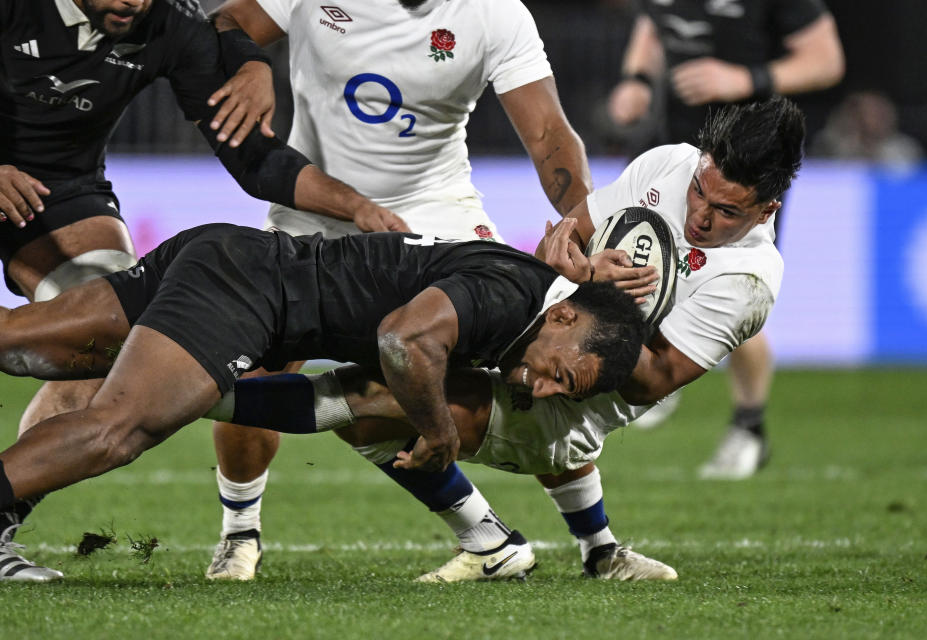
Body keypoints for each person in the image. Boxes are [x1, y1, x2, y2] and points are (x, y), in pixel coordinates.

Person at [205, 97, 806, 582]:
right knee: (392, 340)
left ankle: (200, 395)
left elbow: (653, 379)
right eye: (701, 191)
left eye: (726, 211)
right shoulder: (671, 163)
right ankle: (598, 551)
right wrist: (571, 262)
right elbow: (564, 240)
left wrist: (594, 305)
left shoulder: (749, 281)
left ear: (767, 209)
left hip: (569, 401)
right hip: (539, 326)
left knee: (371, 404)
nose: (701, 213)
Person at [0, 0, 413, 581]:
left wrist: (357, 208)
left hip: (58, 194)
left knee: (103, 347)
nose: (132, 3)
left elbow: (253, 159)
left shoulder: (167, 23)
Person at [202, 0, 599, 580]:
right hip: (313, 210)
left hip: (433, 213)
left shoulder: (494, 13)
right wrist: (252, 67)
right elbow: (226, 21)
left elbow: (548, 134)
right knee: (252, 370)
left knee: (528, 353)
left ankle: (599, 543)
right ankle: (240, 535)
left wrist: (580, 227)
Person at [0, 222, 646, 522]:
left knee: (30, 346)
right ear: (563, 319)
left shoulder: (522, 293)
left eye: (564, 392)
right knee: (118, 431)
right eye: (560, 373)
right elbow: (404, 338)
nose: (542, 389)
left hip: (228, 251)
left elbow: (354, 391)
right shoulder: (511, 300)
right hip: (248, 293)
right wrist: (438, 431)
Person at [605, 0, 844, 479]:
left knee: (732, 288)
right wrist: (637, 80)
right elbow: (654, 25)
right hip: (684, 159)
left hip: (747, 176)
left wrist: (745, 80)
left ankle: (747, 424)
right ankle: (657, 371)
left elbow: (826, 60)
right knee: (642, 262)